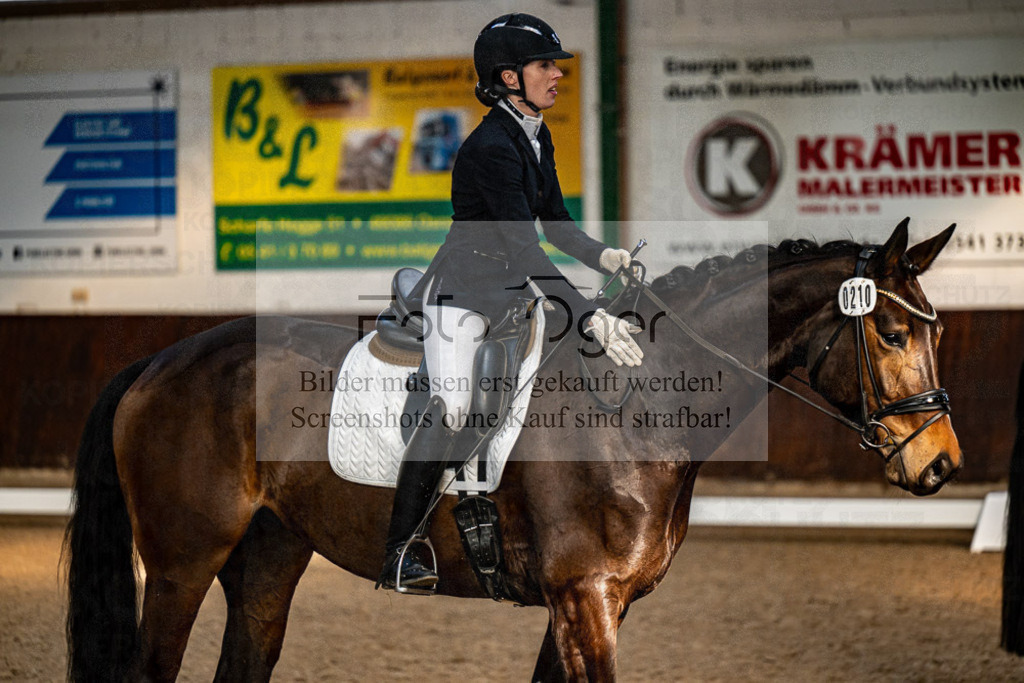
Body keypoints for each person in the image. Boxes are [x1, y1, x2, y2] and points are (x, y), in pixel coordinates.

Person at [378, 12, 644, 593]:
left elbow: (557, 225)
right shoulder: (490, 148)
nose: (557, 75)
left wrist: (605, 258)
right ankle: (401, 548)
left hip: (509, 297)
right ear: (508, 77)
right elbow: (526, 250)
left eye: (556, 65)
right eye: (545, 66)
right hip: (459, 297)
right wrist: (587, 313)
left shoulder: (535, 132)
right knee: (451, 406)